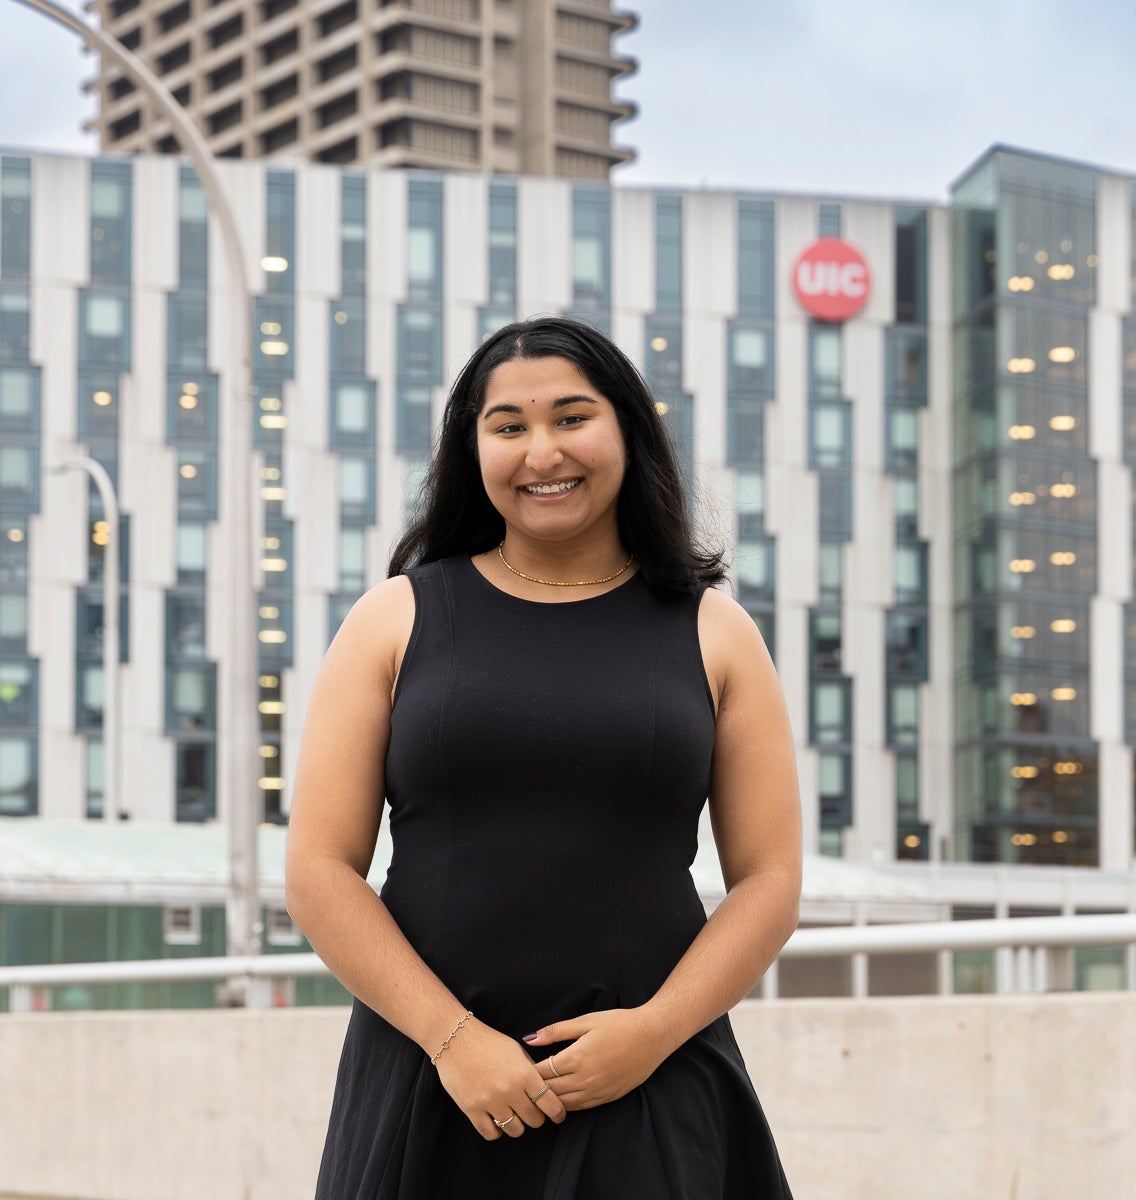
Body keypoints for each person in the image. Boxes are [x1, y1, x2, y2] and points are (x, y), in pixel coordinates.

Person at [286, 316, 802, 1197]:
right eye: (508, 426)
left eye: (571, 417)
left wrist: (652, 1033)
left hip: (653, 1082)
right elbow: (318, 870)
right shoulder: (393, 618)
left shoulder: (716, 631)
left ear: (627, 431)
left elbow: (771, 880)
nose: (542, 453)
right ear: (473, 449)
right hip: (434, 1083)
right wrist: (452, 1041)